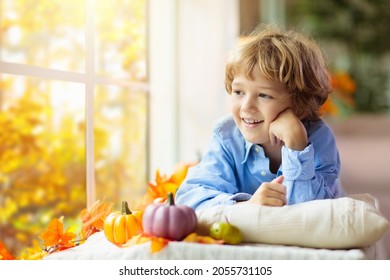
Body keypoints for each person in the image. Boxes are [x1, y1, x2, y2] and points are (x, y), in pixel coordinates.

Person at [175, 24, 345, 210]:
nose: (247, 106)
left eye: (264, 95)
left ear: (301, 104)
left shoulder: (319, 138)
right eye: (239, 91)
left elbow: (312, 213)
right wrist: (247, 205)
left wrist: (297, 146)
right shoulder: (226, 135)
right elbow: (191, 198)